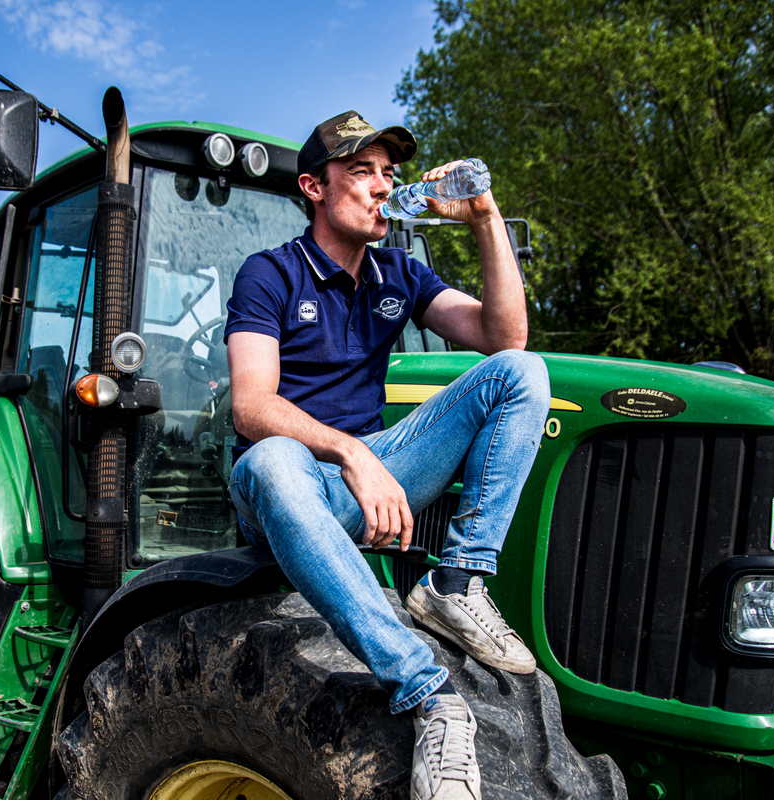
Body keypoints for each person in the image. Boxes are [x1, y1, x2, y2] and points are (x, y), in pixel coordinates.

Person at [224, 110, 550, 800]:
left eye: (389, 173)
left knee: (521, 373)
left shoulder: (398, 274)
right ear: (314, 187)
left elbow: (506, 338)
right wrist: (352, 454)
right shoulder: (270, 274)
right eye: (362, 171)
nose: (383, 187)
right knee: (272, 460)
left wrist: (485, 218)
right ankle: (430, 693)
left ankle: (457, 583)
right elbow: (250, 406)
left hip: (372, 469)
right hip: (294, 482)